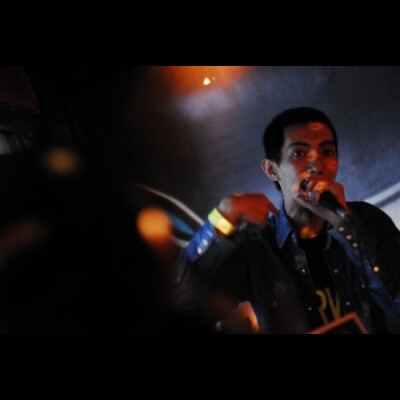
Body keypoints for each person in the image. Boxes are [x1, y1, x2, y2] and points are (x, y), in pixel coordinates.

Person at [174, 107, 400, 334]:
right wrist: (221, 220)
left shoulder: (366, 220)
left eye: (327, 151)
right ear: (272, 170)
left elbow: (395, 299)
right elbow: (184, 305)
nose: (316, 165)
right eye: (299, 154)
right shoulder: (257, 246)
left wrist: (344, 224)